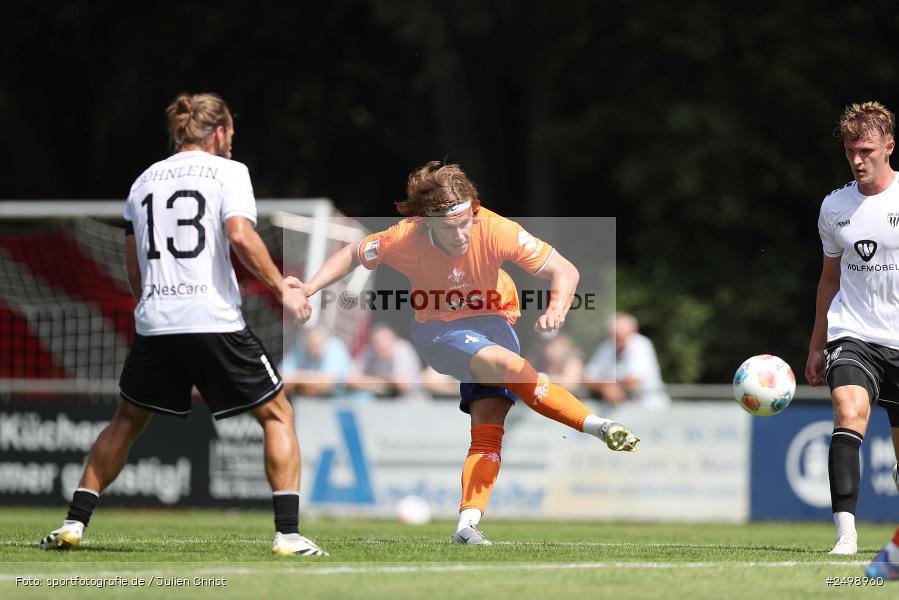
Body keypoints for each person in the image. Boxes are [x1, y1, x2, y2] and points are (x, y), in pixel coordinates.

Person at [290, 160, 639, 545]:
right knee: (513, 367)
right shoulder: (404, 236)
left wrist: (557, 307)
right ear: (427, 221)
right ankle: (598, 426)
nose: (460, 233)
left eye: (465, 222)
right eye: (448, 226)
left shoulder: (497, 229)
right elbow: (354, 254)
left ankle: (466, 526)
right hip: (441, 331)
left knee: (489, 432)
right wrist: (308, 289)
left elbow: (565, 271)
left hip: (496, 323)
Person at [38, 92, 327, 557]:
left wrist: (154, 307)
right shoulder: (230, 172)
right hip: (213, 317)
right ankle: (288, 535)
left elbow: (134, 270)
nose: (231, 141)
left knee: (126, 421)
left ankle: (73, 523)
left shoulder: (142, 182)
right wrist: (281, 290)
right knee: (277, 414)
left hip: (157, 318)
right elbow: (239, 234)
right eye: (230, 132)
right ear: (218, 132)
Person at [806, 101, 899, 556]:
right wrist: (816, 345)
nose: (858, 160)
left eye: (866, 150)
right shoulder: (835, 206)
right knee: (848, 411)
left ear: (889, 147)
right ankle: (846, 534)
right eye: (850, 151)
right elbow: (828, 278)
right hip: (854, 332)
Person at [584, 313, 670, 409]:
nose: (619, 337)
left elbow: (634, 379)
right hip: (620, 409)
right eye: (615, 334)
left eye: (622, 333)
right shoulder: (607, 346)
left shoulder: (641, 344)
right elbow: (588, 376)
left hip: (649, 406)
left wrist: (608, 386)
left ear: (633, 331)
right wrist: (606, 387)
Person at [347, 323, 423, 399]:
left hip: (411, 400)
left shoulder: (402, 349)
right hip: (382, 400)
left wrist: (374, 382)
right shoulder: (370, 351)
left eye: (385, 340)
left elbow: (401, 383)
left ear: (394, 338)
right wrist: (375, 383)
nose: (381, 345)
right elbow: (350, 378)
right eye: (377, 342)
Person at [280, 324, 352, 396]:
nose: (314, 341)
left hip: (342, 399)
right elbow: (280, 376)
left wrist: (296, 378)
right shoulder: (300, 349)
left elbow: (326, 383)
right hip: (307, 399)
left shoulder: (335, 347)